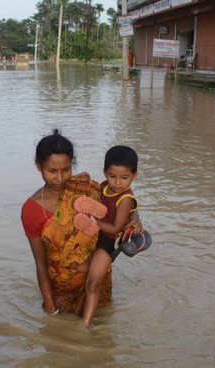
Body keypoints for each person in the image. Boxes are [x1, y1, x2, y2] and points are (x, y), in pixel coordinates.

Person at [21, 131, 141, 316]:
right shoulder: (31, 210)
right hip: (60, 290)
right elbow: (41, 264)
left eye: (66, 170)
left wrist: (135, 217)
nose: (60, 178)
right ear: (39, 166)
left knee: (101, 330)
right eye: (52, 171)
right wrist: (51, 310)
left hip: (96, 282)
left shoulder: (85, 189)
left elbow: (119, 200)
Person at [81, 146, 139, 328]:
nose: (117, 183)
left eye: (124, 178)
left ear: (134, 176)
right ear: (105, 172)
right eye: (112, 176)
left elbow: (115, 229)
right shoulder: (104, 186)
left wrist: (93, 221)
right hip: (95, 234)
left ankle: (84, 326)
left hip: (107, 242)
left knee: (92, 283)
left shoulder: (126, 198)